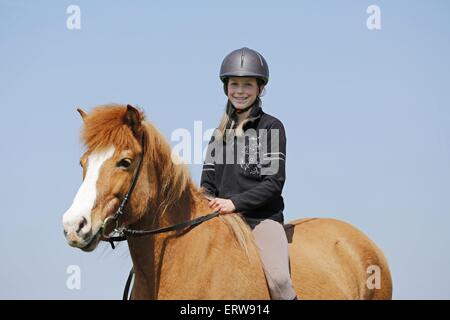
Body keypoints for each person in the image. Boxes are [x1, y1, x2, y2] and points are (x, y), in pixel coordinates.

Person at [201, 47, 297, 300]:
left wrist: (233, 203)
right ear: (226, 88)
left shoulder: (272, 127)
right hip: (220, 222)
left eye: (247, 85)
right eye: (235, 84)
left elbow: (273, 184)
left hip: (261, 220)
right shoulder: (217, 136)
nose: (240, 91)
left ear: (260, 89)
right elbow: (207, 185)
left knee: (278, 280)